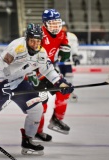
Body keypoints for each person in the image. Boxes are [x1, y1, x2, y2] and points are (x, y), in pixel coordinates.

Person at [0, 23, 74, 155]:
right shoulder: (17, 47)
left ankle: (28, 141)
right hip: (0, 84)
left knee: (36, 109)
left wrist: (60, 83)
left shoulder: (41, 52)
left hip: (19, 83)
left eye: (38, 41)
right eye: (32, 41)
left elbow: (48, 70)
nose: (35, 44)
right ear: (26, 38)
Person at [31, 9, 73, 142]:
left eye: (57, 23)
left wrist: (65, 49)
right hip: (35, 73)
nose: (55, 27)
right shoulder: (39, 35)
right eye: (52, 23)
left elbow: (64, 44)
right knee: (40, 105)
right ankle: (37, 132)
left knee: (64, 91)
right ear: (44, 23)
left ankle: (56, 120)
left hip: (49, 71)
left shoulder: (61, 33)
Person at [61, 21, 80, 102]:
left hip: (67, 60)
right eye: (62, 27)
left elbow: (74, 47)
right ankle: (61, 93)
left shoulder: (72, 36)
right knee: (59, 77)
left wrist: (75, 55)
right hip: (57, 61)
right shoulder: (55, 36)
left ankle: (70, 92)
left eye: (64, 26)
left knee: (69, 76)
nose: (63, 28)